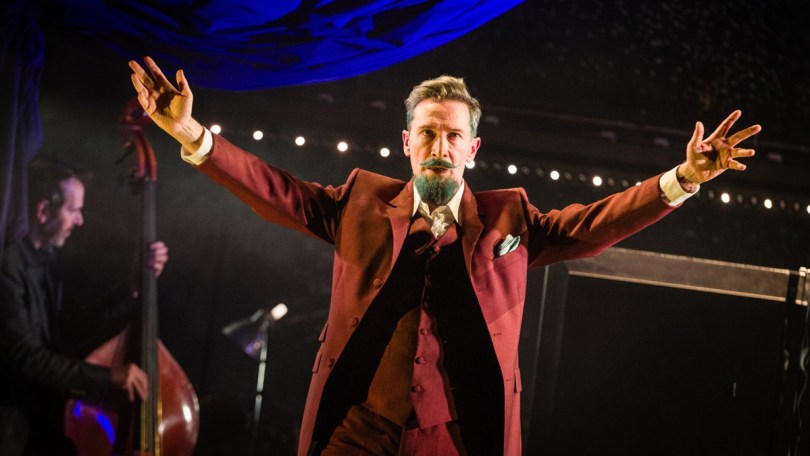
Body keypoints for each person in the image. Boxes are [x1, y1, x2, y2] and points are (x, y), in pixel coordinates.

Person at [128, 56, 760, 455]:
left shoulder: (510, 219)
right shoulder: (360, 203)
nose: (439, 146)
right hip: (358, 431)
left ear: (472, 149)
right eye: (427, 132)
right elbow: (276, 191)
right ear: (406, 142)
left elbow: (595, 223)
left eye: (453, 135)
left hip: (458, 439)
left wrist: (684, 177)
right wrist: (189, 132)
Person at [0, 158, 170, 455]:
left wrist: (132, 285)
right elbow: (24, 357)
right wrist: (108, 377)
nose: (80, 221)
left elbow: (73, 326)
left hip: (37, 430)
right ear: (43, 211)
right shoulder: (7, 264)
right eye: (74, 210)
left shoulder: (45, 261)